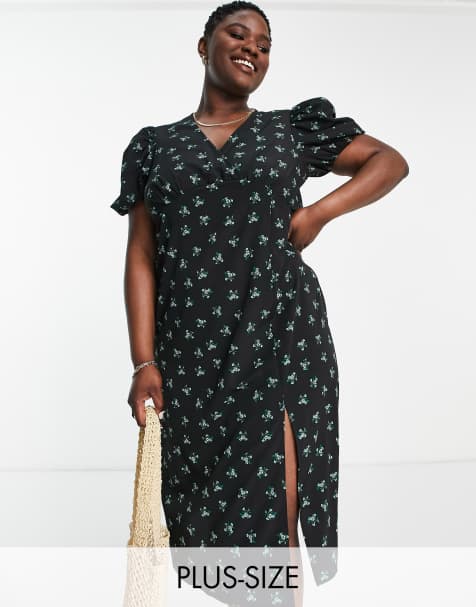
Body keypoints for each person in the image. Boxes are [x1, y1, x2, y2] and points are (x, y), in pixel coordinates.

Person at [110, 1, 409, 604]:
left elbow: (389, 162)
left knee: (280, 500)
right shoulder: (154, 147)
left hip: (281, 333)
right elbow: (141, 254)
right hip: (192, 351)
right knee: (210, 516)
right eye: (238, 34)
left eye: (265, 44)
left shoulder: (289, 131)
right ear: (204, 46)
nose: (252, 49)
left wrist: (319, 213)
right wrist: (144, 360)